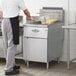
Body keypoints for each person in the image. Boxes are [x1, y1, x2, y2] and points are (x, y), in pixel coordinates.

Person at [0, 0, 32, 75]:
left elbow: (0, 12)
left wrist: (4, 19)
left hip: (4, 21)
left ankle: (12, 64)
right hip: (12, 21)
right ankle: (8, 69)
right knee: (12, 45)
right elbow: (26, 11)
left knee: (7, 45)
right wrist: (29, 17)